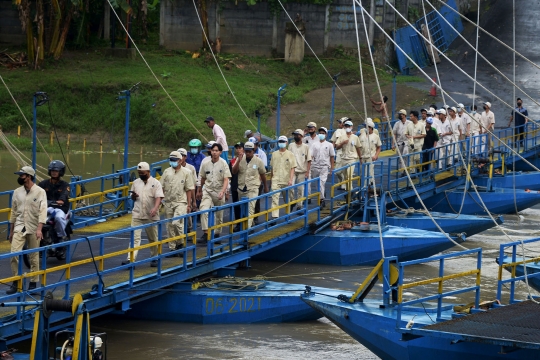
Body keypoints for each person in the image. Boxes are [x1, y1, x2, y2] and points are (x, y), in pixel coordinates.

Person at [7, 166, 47, 294]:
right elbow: (13, 212)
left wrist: (40, 229)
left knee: (34, 256)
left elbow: (43, 211)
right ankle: (16, 282)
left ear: (29, 176)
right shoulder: (17, 192)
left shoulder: (40, 192)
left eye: (22, 175)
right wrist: (11, 231)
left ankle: (33, 282)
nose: (20, 177)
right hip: (19, 225)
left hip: (34, 226)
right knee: (14, 254)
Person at [122, 162, 164, 267]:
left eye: (142, 173)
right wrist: (134, 196)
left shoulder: (156, 183)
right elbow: (132, 197)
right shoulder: (136, 183)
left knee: (153, 238)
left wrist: (155, 208)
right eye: (139, 173)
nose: (140, 174)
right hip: (137, 214)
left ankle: (155, 257)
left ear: (148, 172)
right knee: (134, 238)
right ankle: (130, 259)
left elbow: (159, 197)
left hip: (151, 215)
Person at [159, 151, 194, 255]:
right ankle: (173, 248)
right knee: (169, 225)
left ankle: (180, 242)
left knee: (176, 222)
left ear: (180, 160)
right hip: (168, 202)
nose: (173, 162)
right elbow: (161, 187)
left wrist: (189, 204)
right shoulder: (167, 172)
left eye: (175, 160)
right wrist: (160, 201)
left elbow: (188, 189)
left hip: (181, 202)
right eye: (171, 160)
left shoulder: (186, 172)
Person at [198, 143, 231, 241]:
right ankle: (206, 232)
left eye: (217, 151)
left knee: (219, 214)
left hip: (219, 191)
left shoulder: (223, 163)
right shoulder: (205, 164)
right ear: (210, 151)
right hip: (207, 190)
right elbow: (202, 178)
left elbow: (226, 179)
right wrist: (199, 190)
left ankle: (216, 233)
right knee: (203, 210)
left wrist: (223, 191)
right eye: (213, 150)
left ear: (220, 152)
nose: (214, 152)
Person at [38, 160, 70, 259]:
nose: (54, 172)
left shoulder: (65, 185)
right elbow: (36, 193)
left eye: (56, 171)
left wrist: (61, 200)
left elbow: (65, 194)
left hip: (59, 208)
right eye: (52, 170)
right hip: (45, 207)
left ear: (61, 172)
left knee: (59, 218)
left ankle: (61, 237)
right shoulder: (43, 184)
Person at [232, 142, 268, 229]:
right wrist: (238, 161)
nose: (248, 153)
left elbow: (263, 174)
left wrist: (266, 186)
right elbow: (234, 171)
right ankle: (250, 224)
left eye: (250, 151)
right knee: (243, 210)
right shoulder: (239, 159)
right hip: (241, 188)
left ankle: (246, 231)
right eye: (246, 151)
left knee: (250, 209)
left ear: (253, 150)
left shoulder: (258, 161)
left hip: (253, 187)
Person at [269, 136, 296, 222]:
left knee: (287, 198)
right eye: (280, 141)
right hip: (276, 179)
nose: (281, 143)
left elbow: (292, 168)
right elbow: (272, 168)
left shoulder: (290, 154)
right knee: (274, 198)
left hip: (286, 179)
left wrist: (291, 179)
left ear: (286, 143)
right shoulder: (274, 154)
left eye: (283, 141)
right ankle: (274, 217)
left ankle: (288, 213)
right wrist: (271, 179)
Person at [311, 127, 335, 208]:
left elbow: (332, 157)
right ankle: (322, 194)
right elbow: (311, 156)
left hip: (324, 166)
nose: (321, 134)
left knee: (321, 182)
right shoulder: (314, 145)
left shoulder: (329, 145)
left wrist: (332, 168)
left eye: (323, 133)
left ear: (326, 134)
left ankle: (322, 200)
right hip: (315, 166)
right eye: (320, 133)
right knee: (317, 184)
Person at [289, 129, 312, 211]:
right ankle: (292, 201)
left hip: (302, 171)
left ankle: (299, 205)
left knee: (300, 189)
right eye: (295, 135)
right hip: (293, 170)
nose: (296, 136)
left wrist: (307, 172)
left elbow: (309, 160)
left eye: (297, 135)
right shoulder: (291, 145)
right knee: (290, 187)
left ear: (302, 136)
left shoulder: (306, 147)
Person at [335, 120, 362, 187]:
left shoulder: (355, 137)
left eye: (349, 126)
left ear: (352, 127)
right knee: (345, 176)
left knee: (349, 175)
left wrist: (360, 158)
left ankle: (350, 190)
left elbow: (358, 147)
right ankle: (347, 190)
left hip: (352, 159)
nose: (347, 127)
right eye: (346, 126)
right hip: (344, 158)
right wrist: (342, 143)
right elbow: (337, 147)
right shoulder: (342, 137)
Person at [178, 148, 198, 232]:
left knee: (186, 212)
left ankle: (188, 229)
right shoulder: (172, 168)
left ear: (185, 157)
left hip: (187, 194)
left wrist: (193, 201)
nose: (180, 158)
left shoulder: (190, 169)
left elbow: (192, 186)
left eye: (181, 156)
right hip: (176, 194)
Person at [250, 137, 267, 225]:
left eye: (253, 146)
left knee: (256, 200)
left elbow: (263, 170)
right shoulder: (246, 154)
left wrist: (261, 182)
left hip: (257, 181)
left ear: (257, 145)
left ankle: (255, 217)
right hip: (248, 181)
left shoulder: (261, 154)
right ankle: (248, 219)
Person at [359, 119, 382, 186]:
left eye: (367, 127)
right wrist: (359, 156)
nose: (365, 128)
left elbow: (379, 147)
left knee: (368, 172)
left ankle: (366, 187)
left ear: (370, 127)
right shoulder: (361, 135)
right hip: (363, 157)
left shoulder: (376, 137)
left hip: (370, 157)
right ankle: (363, 185)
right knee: (361, 173)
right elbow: (358, 146)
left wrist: (376, 155)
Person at [229, 142, 244, 232]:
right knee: (236, 206)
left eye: (240, 147)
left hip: (245, 186)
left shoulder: (248, 159)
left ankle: (248, 222)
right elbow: (230, 174)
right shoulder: (232, 161)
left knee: (246, 205)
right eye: (237, 148)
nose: (238, 149)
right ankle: (238, 223)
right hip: (235, 185)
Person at [330, 117, 348, 191]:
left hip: (346, 153)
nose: (338, 124)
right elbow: (333, 142)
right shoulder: (337, 131)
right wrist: (331, 153)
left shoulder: (345, 131)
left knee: (345, 170)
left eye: (340, 122)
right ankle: (341, 182)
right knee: (338, 171)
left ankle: (343, 184)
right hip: (339, 152)